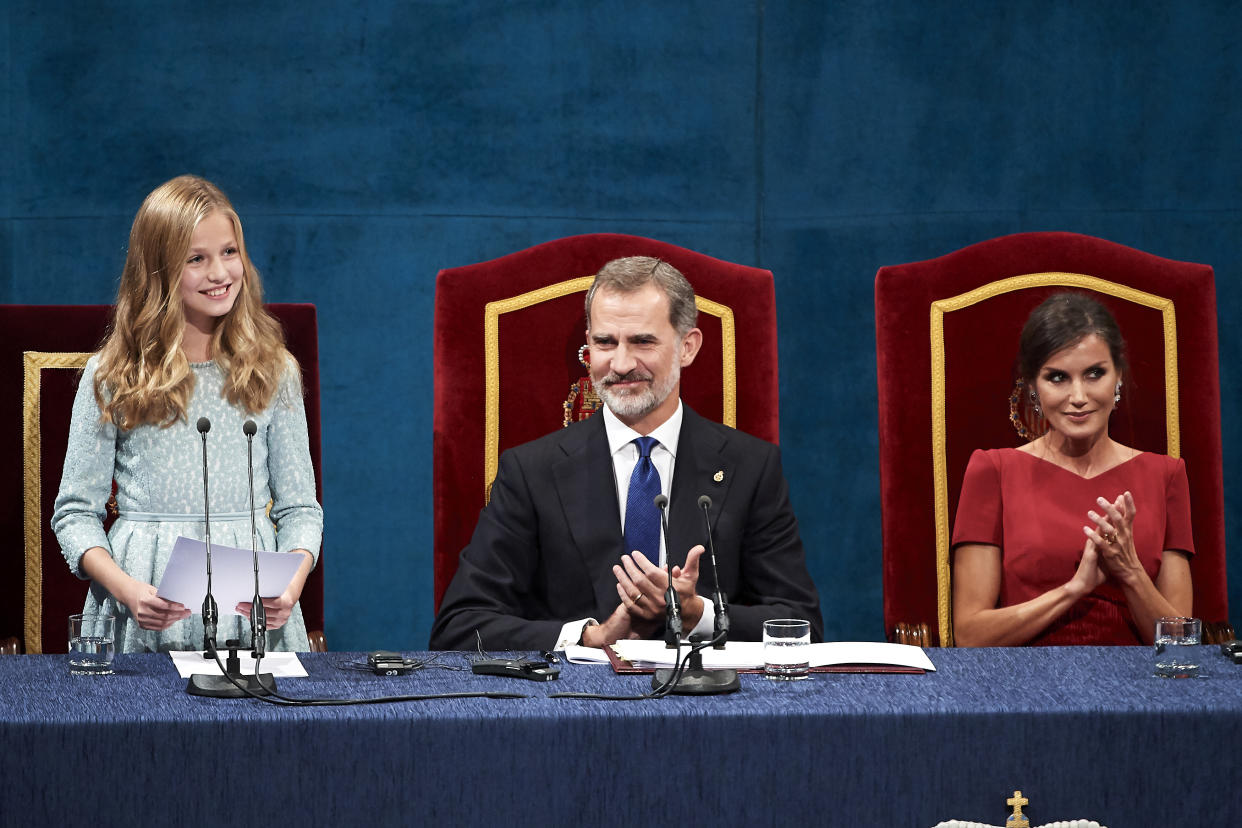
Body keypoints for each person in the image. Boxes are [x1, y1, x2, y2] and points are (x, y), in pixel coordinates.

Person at [429, 256, 822, 651]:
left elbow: (801, 625)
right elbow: (460, 627)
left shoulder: (750, 467)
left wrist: (698, 613)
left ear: (688, 346)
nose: (620, 364)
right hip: (572, 707)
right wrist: (587, 637)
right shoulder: (530, 471)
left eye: (642, 341)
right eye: (604, 342)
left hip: (708, 704)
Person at [52, 175, 323, 653]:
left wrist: (293, 583)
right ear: (157, 271)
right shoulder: (113, 375)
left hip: (249, 614)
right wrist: (126, 589)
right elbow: (75, 514)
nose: (219, 273)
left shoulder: (274, 370)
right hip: (145, 608)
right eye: (196, 259)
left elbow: (300, 508)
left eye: (229, 252)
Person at [951, 292, 1193, 646]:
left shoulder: (1166, 475)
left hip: (1140, 690)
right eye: (1058, 377)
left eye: (1095, 373)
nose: (1078, 396)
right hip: (1024, 687)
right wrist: (1074, 590)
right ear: (1033, 386)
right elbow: (971, 636)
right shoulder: (993, 470)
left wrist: (1130, 571)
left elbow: (1180, 646)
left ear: (1118, 378)